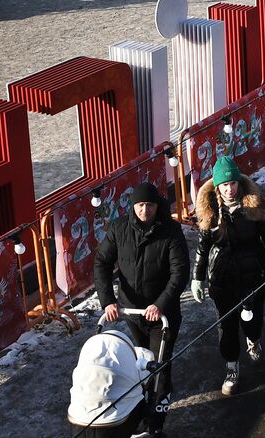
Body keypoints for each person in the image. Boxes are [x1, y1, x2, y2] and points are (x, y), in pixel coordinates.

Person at [93, 181, 189, 437]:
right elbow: (102, 262)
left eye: (149, 205)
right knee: (135, 365)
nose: (144, 211)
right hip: (131, 312)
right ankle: (136, 414)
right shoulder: (119, 229)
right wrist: (108, 301)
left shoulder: (171, 232)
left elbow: (179, 274)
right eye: (140, 206)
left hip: (162, 315)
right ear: (132, 207)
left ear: (157, 206)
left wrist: (160, 305)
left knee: (158, 366)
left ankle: (155, 422)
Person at [191, 156, 265, 398]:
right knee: (226, 327)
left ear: (239, 182)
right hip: (223, 279)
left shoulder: (255, 206)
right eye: (224, 185)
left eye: (233, 183)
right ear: (217, 186)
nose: (229, 189)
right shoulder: (210, 210)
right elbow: (203, 248)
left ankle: (253, 340)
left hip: (252, 277)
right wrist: (198, 277)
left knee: (252, 323)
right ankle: (232, 367)